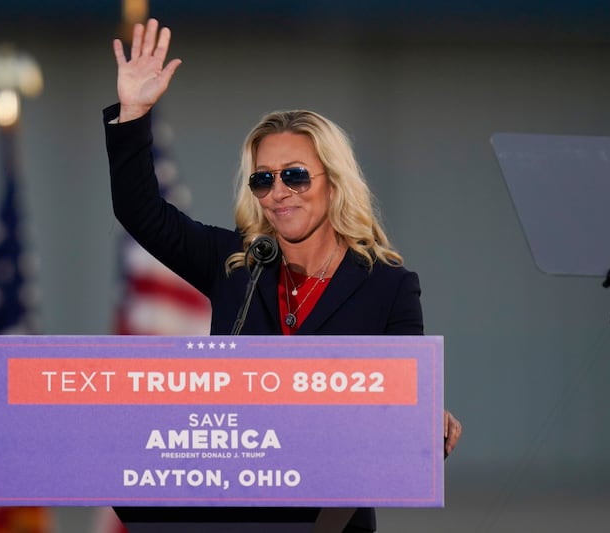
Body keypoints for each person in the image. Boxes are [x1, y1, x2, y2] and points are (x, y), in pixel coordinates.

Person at [104, 18, 462, 533]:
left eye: (295, 175)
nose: (279, 191)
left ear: (333, 183)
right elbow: (141, 211)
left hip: (332, 519)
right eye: (263, 179)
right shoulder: (234, 263)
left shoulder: (388, 283)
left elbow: (403, 393)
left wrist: (428, 416)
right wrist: (134, 113)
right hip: (232, 514)